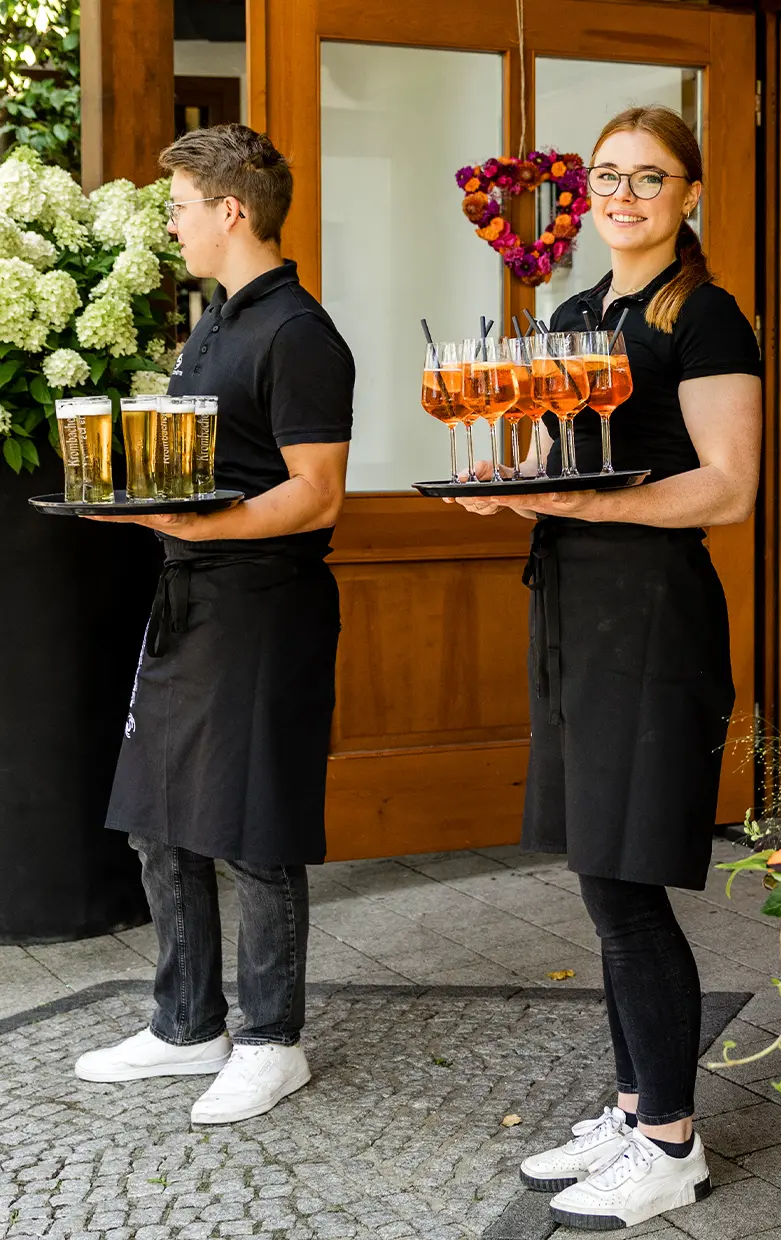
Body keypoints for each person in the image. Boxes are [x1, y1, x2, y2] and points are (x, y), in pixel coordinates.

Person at [454, 106, 762, 1230]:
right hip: (574, 606)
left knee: (628, 885)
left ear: (689, 195)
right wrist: (506, 483)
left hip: (651, 616)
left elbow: (728, 485)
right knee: (598, 873)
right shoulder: (581, 315)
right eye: (608, 175)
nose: (624, 194)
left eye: (650, 176)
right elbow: (554, 461)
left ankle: (672, 1144)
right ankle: (635, 1107)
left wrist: (570, 495)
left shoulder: (707, 316)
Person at [73, 124, 355, 1125]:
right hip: (188, 599)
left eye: (182, 206)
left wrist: (197, 520)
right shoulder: (211, 327)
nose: (173, 224)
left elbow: (318, 495)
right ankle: (186, 1023)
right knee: (158, 817)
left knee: (253, 828)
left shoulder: (300, 334)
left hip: (265, 607)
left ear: (232, 211)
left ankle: (273, 1040)